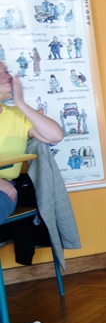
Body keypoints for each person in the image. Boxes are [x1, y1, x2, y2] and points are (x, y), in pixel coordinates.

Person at [0, 61, 65, 221]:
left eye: (6, 71)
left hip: (4, 191)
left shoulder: (17, 115)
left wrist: (20, 104)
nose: (6, 76)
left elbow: (55, 135)